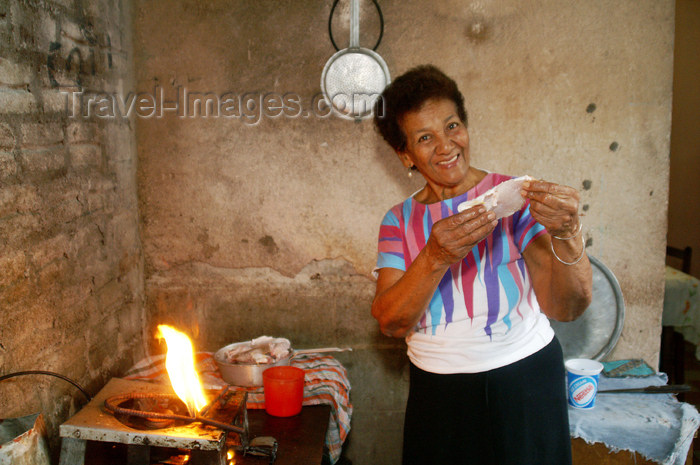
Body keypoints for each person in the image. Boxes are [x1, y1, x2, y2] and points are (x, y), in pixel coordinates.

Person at [371, 65, 592, 465]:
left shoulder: (512, 196)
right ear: (404, 154)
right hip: (439, 392)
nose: (445, 145)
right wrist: (435, 256)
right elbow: (391, 322)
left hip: (525, 379)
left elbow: (567, 307)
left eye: (452, 126)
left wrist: (568, 232)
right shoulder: (398, 221)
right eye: (425, 138)